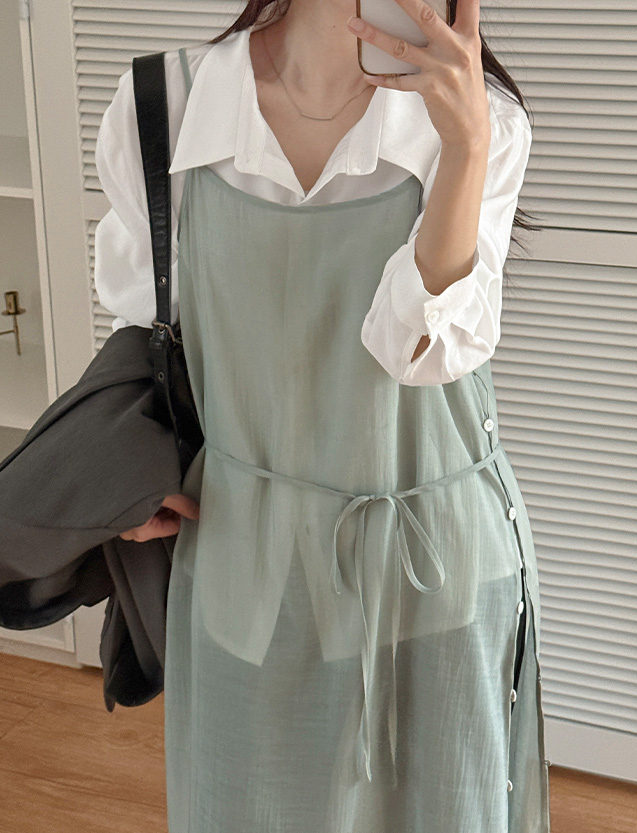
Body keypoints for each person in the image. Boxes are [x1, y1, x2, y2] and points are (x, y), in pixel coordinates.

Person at [94, 0, 550, 830]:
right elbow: (149, 333)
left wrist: (465, 149)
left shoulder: (483, 121)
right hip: (244, 560)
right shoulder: (165, 106)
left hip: (433, 569)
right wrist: (127, 476)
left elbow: (418, 351)